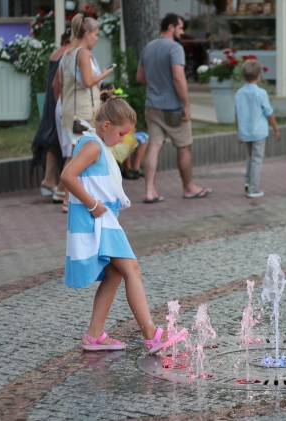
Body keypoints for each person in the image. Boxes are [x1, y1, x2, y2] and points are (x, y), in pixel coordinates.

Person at [60, 90, 187, 353]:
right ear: (106, 125)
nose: (123, 139)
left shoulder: (96, 144)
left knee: (116, 273)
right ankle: (152, 335)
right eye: (121, 134)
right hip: (98, 222)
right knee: (132, 270)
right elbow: (67, 176)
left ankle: (94, 335)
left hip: (102, 220)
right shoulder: (93, 145)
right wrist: (93, 205)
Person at [136, 13, 213, 204]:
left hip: (152, 105)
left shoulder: (148, 47)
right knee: (184, 147)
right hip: (173, 108)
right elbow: (179, 77)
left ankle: (150, 190)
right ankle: (188, 188)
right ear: (171, 27)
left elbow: (140, 78)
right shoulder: (175, 48)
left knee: (154, 146)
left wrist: (156, 81)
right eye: (180, 28)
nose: (182, 31)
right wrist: (186, 105)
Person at [55, 13, 114, 212]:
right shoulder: (83, 54)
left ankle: (65, 195)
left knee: (73, 153)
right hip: (83, 110)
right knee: (81, 153)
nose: (97, 38)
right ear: (87, 33)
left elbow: (60, 84)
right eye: (95, 34)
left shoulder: (67, 53)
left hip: (69, 108)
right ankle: (66, 198)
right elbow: (88, 82)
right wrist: (104, 74)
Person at [31, 31, 71, 201]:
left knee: (53, 141)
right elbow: (59, 83)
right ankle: (60, 185)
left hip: (53, 102)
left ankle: (49, 180)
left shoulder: (56, 54)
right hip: (61, 100)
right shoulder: (68, 54)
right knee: (58, 142)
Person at [235, 59, 281, 198]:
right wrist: (276, 129)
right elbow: (269, 112)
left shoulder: (239, 93)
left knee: (250, 157)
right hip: (259, 132)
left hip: (245, 132)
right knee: (257, 159)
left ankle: (248, 183)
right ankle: (253, 189)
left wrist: (239, 132)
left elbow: (237, 114)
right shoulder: (261, 93)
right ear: (259, 75)